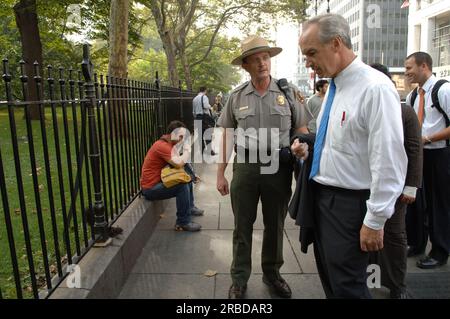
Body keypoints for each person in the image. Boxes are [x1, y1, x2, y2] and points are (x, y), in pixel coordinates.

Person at [293, 14, 407, 298]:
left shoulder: (375, 88)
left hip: (349, 207)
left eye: (311, 53)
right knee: (332, 281)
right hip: (322, 200)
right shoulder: (334, 86)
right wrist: (309, 151)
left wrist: (375, 219)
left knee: (348, 288)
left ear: (335, 43)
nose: (308, 62)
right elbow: (340, 144)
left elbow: (389, 160)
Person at [216, 35, 310, 299]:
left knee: (275, 225)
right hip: (245, 167)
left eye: (265, 58)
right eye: (255, 60)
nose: (262, 64)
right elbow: (227, 136)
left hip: (277, 167)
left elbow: (301, 130)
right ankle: (239, 279)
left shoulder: (288, 93)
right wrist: (220, 173)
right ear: (245, 65)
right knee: (241, 226)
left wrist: (301, 147)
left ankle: (273, 274)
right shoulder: (236, 97)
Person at [370, 63, 423, 299]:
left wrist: (411, 186)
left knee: (394, 236)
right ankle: (369, 279)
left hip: (396, 187)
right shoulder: (366, 106)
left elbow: (415, 150)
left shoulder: (404, 112)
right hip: (365, 186)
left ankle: (397, 286)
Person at [404, 52, 450, 269]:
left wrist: (429, 138)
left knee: (438, 204)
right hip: (420, 154)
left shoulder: (443, 90)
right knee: (416, 202)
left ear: (424, 66)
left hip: (440, 155)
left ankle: (440, 251)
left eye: (409, 68)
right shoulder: (414, 95)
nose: (406, 73)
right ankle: (417, 243)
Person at [140, 120, 203, 232]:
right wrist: (187, 150)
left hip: (159, 182)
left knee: (186, 179)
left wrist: (192, 175)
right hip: (150, 188)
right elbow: (178, 163)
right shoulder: (162, 146)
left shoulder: (169, 144)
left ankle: (189, 207)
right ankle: (182, 222)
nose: (182, 139)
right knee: (182, 186)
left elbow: (181, 164)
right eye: (181, 136)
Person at [192, 87, 216, 155]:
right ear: (205, 91)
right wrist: (210, 107)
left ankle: (201, 150)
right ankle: (209, 150)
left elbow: (193, 111)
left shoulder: (194, 99)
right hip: (205, 118)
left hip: (197, 118)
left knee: (200, 135)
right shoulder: (204, 97)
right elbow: (205, 106)